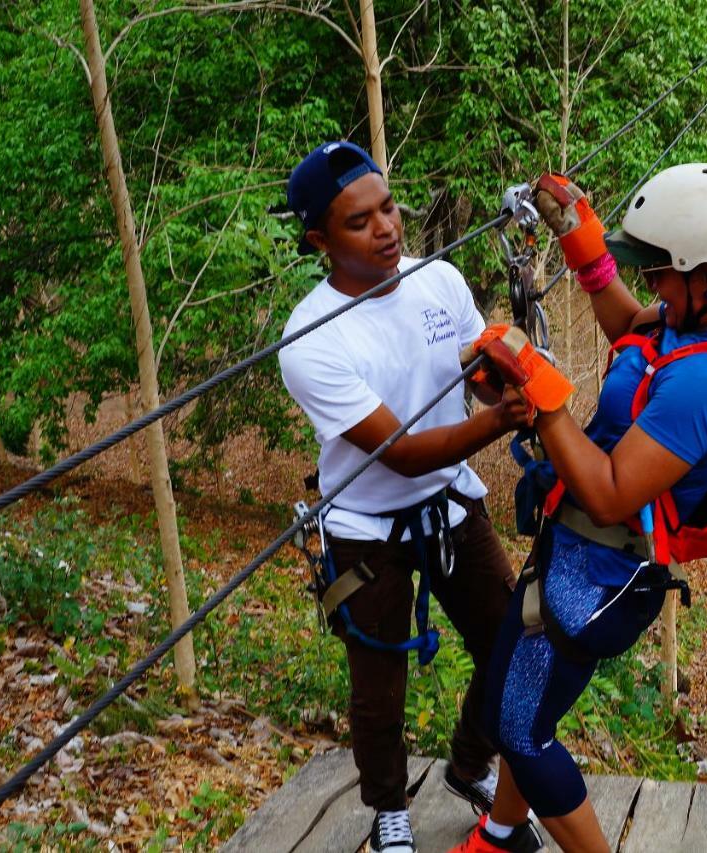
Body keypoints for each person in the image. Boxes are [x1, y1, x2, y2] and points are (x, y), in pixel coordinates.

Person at [450, 163, 707, 853]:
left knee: (519, 726)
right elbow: (624, 321)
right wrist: (579, 238)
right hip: (574, 550)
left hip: (603, 577)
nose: (648, 284)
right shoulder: (685, 325)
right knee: (516, 696)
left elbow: (611, 489)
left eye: (660, 270)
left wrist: (542, 394)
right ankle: (501, 834)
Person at [277, 140, 544, 853]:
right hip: (367, 528)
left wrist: (504, 373)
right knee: (378, 681)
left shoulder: (439, 280)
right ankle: (389, 806)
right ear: (319, 240)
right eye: (360, 222)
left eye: (388, 207)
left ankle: (467, 764)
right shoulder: (309, 339)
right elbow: (396, 448)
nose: (387, 227)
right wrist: (498, 420)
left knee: (512, 647)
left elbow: (467, 375)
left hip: (453, 505)